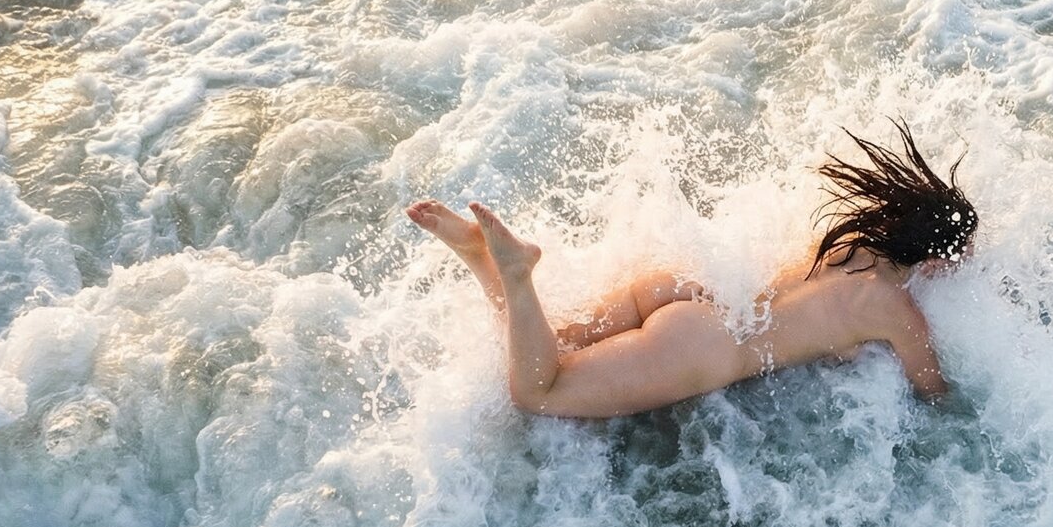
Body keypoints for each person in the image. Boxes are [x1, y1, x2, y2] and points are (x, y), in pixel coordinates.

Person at [406, 121, 975, 418]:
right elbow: (934, 393)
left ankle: (480, 255)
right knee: (539, 391)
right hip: (705, 347)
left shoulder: (847, 247)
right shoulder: (895, 308)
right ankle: (517, 272)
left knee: (550, 343)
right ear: (932, 258)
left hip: (690, 291)